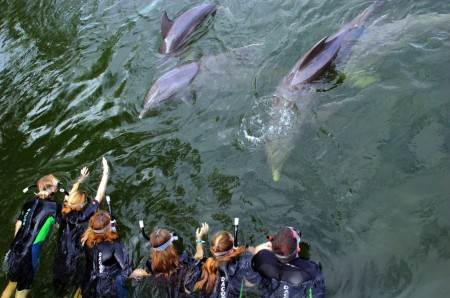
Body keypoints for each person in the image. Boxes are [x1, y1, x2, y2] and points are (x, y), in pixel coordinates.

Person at [53, 157, 109, 298]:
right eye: (84, 203)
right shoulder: (82, 217)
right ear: (80, 207)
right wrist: (105, 174)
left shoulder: (62, 212)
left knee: (61, 293)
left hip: (60, 262)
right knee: (79, 291)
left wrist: (80, 179)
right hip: (74, 263)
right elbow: (99, 195)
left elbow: (70, 197)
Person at [2, 174, 62, 298]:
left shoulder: (29, 202)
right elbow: (59, 227)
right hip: (28, 257)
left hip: (15, 249)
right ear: (54, 190)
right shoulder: (55, 207)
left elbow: (18, 223)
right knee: (21, 292)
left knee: (10, 286)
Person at [130, 223, 209, 297]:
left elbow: (155, 275)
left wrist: (143, 273)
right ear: (171, 245)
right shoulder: (183, 257)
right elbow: (199, 256)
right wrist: (199, 238)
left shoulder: (150, 263)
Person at [251, 226, 325, 297]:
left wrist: (261, 249)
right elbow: (318, 294)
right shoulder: (311, 270)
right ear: (298, 248)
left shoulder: (261, 258)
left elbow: (249, 284)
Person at [81, 210, 132, 298]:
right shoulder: (114, 245)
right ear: (109, 228)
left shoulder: (86, 242)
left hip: (89, 285)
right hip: (110, 288)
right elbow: (126, 269)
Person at [193, 230, 260, 297]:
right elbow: (250, 284)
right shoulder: (242, 260)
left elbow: (199, 253)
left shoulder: (205, 264)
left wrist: (199, 238)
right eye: (232, 237)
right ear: (231, 251)